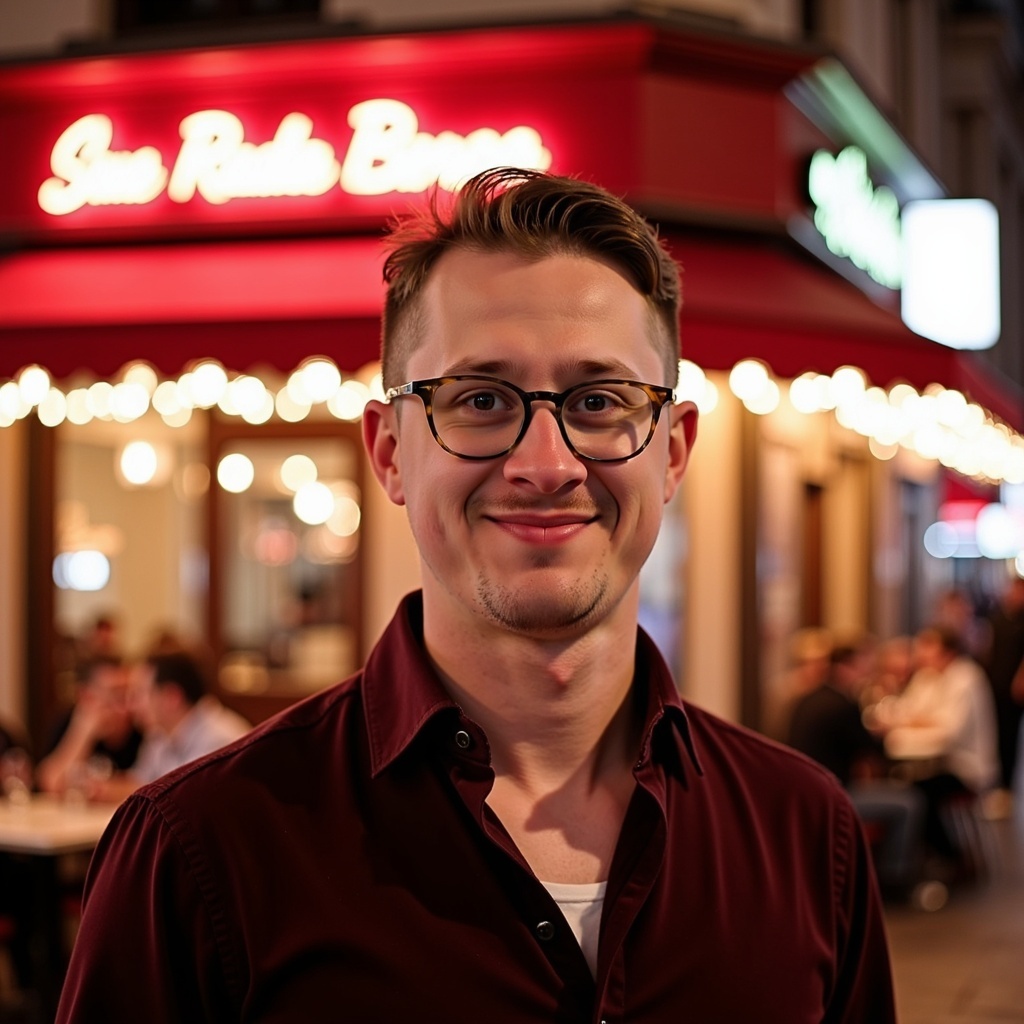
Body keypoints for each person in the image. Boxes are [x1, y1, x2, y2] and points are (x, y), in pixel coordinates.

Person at [57, 168, 895, 1022]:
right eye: (481, 399)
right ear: (389, 452)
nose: (545, 465)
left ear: (672, 451)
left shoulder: (806, 834)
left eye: (600, 400)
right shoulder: (199, 847)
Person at [786, 640, 925, 896]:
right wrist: (881, 733)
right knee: (910, 801)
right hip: (834, 795)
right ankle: (893, 882)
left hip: (804, 793)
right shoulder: (842, 704)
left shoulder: (807, 699)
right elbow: (871, 751)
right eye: (864, 665)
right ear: (844, 668)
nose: (868, 671)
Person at [873, 624, 999, 871]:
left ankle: (952, 859)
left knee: (919, 795)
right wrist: (918, 721)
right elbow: (905, 711)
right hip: (933, 762)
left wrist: (912, 723)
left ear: (948, 651)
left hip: (964, 767)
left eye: (927, 647)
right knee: (900, 786)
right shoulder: (926, 677)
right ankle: (916, 857)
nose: (920, 654)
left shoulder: (966, 677)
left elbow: (949, 732)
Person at [88, 649, 251, 804]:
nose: (131, 704)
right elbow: (140, 784)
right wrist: (98, 788)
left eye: (140, 693)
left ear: (172, 697)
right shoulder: (160, 735)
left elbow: (186, 802)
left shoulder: (219, 741)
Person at [35, 655, 143, 796]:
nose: (127, 705)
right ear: (86, 696)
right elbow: (50, 784)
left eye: (129, 692)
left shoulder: (142, 726)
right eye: (116, 693)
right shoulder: (66, 721)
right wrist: (84, 732)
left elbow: (150, 784)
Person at [979, 574, 1024, 817]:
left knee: (1010, 736)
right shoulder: (998, 618)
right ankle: (997, 784)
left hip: (1014, 687)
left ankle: (1006, 787)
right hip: (995, 683)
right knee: (997, 734)